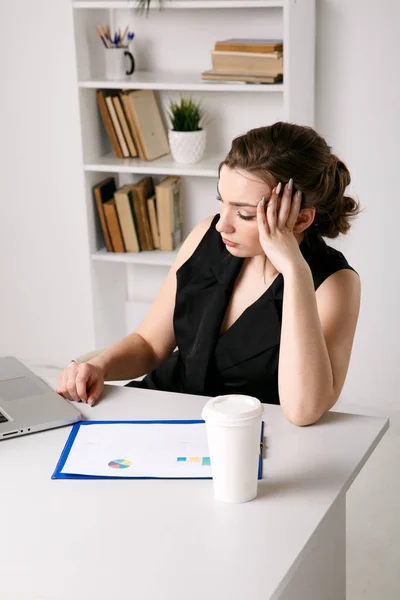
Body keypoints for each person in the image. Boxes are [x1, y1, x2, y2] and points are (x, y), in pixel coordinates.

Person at [57, 121, 361, 426]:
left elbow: (303, 410)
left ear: (301, 218)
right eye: (222, 202)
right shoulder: (207, 235)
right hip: (160, 411)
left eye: (243, 213)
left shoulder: (334, 284)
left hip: (242, 439)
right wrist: (100, 366)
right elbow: (150, 344)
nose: (222, 224)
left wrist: (295, 272)